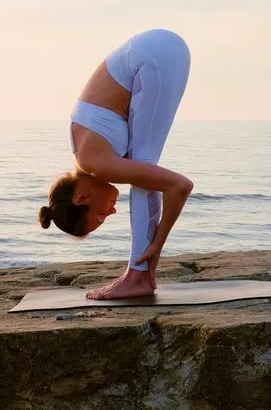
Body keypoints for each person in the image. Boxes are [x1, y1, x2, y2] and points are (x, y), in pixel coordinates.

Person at [37, 28, 193, 300]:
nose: (111, 213)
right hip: (155, 48)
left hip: (155, 55)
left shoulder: (96, 162)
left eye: (99, 217)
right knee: (143, 172)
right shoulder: (87, 149)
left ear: (81, 197)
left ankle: (137, 276)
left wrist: (157, 244)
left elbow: (179, 186)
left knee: (144, 175)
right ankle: (137, 274)